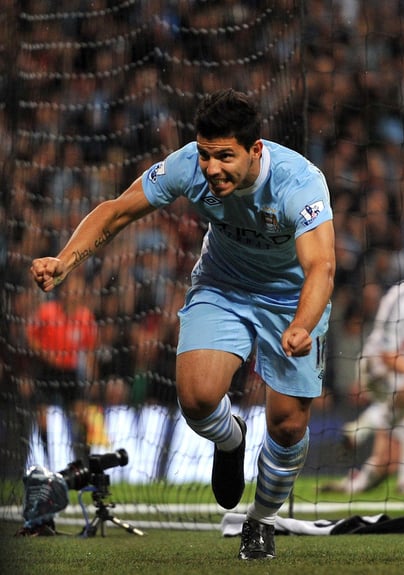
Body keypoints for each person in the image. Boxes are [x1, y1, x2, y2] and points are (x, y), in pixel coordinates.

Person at [30, 89, 336, 560]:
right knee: (195, 399)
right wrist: (66, 260)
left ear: (255, 150)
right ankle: (230, 440)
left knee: (289, 425)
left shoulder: (300, 183)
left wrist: (301, 324)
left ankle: (261, 520)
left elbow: (322, 268)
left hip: (292, 299)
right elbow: (117, 209)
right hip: (222, 284)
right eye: (206, 154)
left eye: (225, 156)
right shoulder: (187, 167)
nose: (212, 168)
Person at [327, 233, 404, 495]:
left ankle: (359, 479)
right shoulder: (400, 296)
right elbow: (388, 355)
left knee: (388, 456)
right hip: (377, 369)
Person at [24, 271, 99, 463]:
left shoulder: (85, 317)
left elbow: (90, 351)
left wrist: (91, 378)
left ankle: (86, 460)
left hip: (69, 373)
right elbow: (31, 336)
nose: (75, 293)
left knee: (82, 416)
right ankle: (47, 461)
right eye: (72, 289)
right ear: (64, 291)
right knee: (42, 416)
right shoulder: (47, 312)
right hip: (46, 371)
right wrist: (45, 353)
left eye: (78, 290)